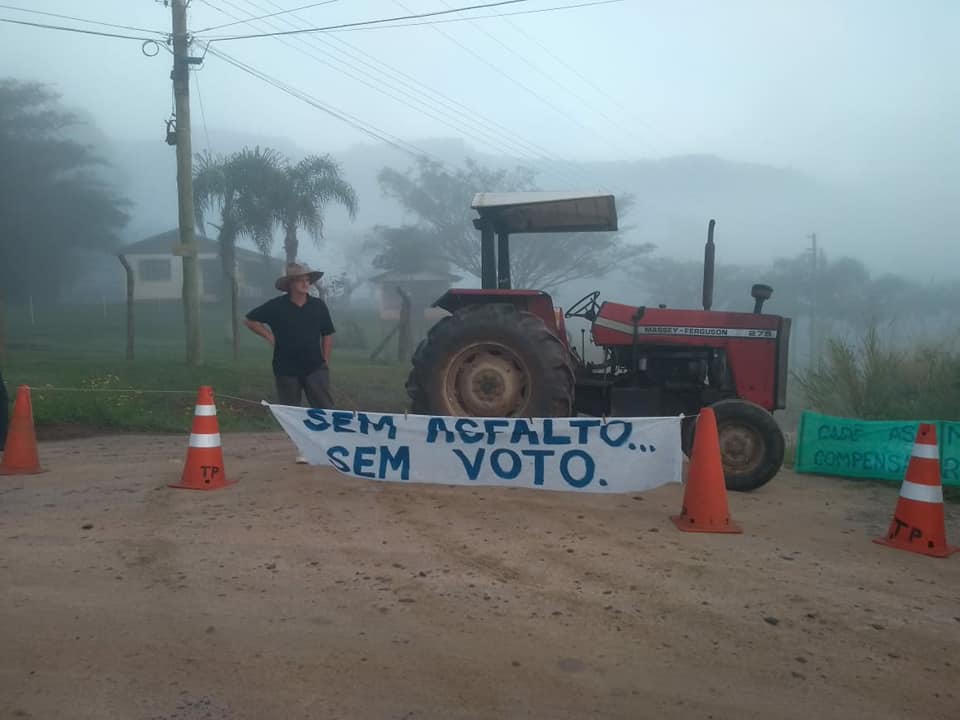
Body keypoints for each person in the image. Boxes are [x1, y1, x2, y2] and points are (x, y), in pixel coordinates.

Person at [244, 263, 336, 460]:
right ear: (291, 284)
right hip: (285, 367)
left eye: (308, 280)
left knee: (324, 408)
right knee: (292, 411)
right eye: (301, 280)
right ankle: (303, 448)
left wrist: (325, 359)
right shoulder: (277, 306)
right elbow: (250, 320)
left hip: (315, 366)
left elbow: (328, 333)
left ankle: (328, 446)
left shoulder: (318, 306)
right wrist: (269, 336)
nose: (306, 283)